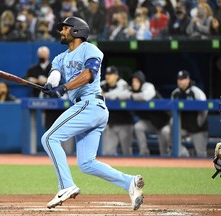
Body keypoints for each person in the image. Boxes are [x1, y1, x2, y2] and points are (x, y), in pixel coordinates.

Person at [40, 16, 145, 210]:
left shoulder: (90, 49)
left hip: (89, 104)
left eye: (65, 28)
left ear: (77, 30)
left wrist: (64, 87)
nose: (61, 32)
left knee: (48, 139)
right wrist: (51, 84)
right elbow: (55, 74)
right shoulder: (60, 57)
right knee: (87, 163)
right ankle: (129, 182)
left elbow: (89, 74)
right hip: (91, 110)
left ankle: (66, 185)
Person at [120, 70, 171, 156]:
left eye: (136, 81)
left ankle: (179, 157)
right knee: (138, 127)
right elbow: (120, 95)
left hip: (164, 123)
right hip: (150, 123)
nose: (134, 83)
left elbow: (144, 97)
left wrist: (131, 95)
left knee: (164, 152)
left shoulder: (148, 86)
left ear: (141, 81)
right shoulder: (132, 90)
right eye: (133, 81)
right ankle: (144, 152)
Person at [171, 70, 208, 157]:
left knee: (201, 155)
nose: (180, 81)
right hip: (183, 127)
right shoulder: (175, 93)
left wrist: (199, 124)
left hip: (198, 127)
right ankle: (183, 153)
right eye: (179, 79)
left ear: (188, 80)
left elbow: (205, 109)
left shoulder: (197, 92)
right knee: (168, 132)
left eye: (183, 79)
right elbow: (172, 112)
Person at [100, 65, 134, 156]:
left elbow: (116, 95)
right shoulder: (102, 84)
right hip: (110, 123)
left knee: (126, 152)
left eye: (111, 74)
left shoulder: (123, 84)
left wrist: (104, 95)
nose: (108, 76)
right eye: (107, 74)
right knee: (107, 153)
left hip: (125, 123)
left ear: (117, 76)